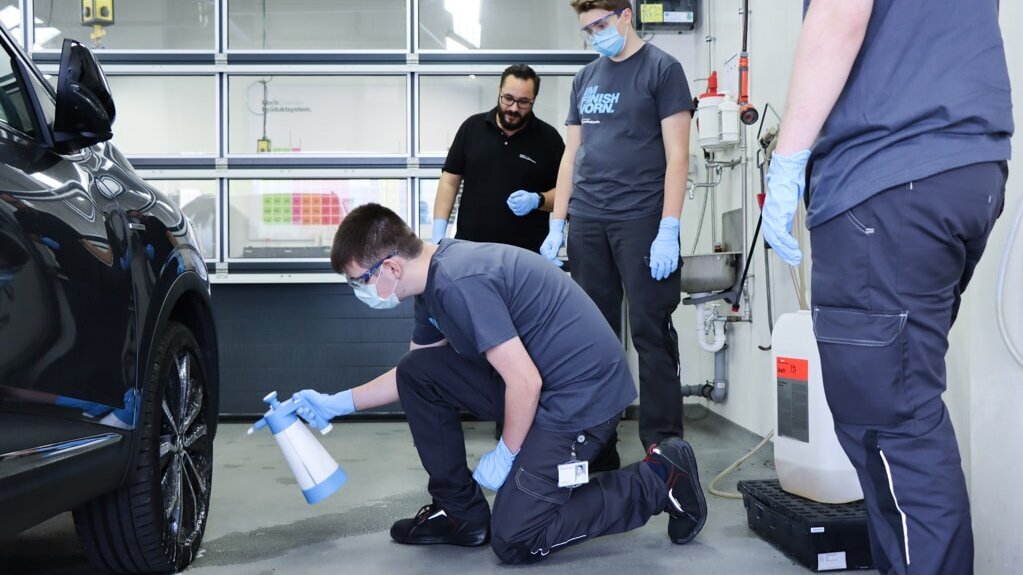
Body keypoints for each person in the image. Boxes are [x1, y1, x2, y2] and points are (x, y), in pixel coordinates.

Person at [290, 203, 708, 563]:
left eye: (361, 281)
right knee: (420, 373)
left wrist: (507, 452)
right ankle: (461, 514)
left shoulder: (460, 282)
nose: (361, 292)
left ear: (392, 267)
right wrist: (337, 403)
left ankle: (659, 481)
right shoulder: (431, 285)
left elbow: (523, 381)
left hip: (580, 398)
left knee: (517, 538)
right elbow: (413, 374)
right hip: (545, 383)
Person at [762, 1, 1012, 573]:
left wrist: (787, 160)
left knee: (892, 423)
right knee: (898, 402)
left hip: (889, 175)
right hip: (967, 169)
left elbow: (840, 13)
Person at [540, 0, 693, 458]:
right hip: (588, 219)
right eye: (587, 29)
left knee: (651, 330)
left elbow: (678, 155)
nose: (595, 35)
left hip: (641, 218)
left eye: (601, 24)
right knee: (592, 335)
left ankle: (663, 447)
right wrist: (557, 222)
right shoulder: (584, 78)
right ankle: (597, 443)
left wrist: (669, 226)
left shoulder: (663, 70)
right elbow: (571, 156)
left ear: (627, 15)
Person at [432, 64, 565, 253]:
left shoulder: (549, 139)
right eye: (508, 98)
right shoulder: (472, 128)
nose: (513, 108)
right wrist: (438, 233)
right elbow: (449, 182)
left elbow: (565, 192)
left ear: (534, 99)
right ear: (499, 91)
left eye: (524, 102)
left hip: (526, 255)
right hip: (470, 250)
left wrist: (538, 200)